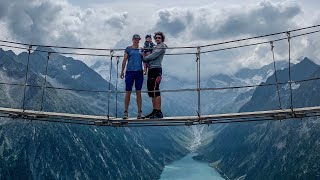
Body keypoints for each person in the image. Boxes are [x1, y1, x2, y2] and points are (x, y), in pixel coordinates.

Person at [143, 32, 167, 119]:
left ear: (162, 39)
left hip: (156, 69)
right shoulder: (156, 46)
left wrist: (143, 58)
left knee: (155, 90)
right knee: (152, 91)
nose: (157, 39)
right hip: (152, 69)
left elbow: (152, 56)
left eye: (159, 38)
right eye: (156, 38)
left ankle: (158, 111)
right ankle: (154, 111)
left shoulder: (161, 46)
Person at [120, 34, 145, 119]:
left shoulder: (141, 50)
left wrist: (145, 69)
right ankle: (126, 113)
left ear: (139, 40)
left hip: (139, 72)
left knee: (138, 92)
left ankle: (139, 113)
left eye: (138, 39)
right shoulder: (128, 49)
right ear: (132, 39)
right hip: (129, 72)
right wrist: (122, 71)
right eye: (135, 39)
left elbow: (144, 60)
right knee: (128, 92)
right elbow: (124, 60)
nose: (136, 40)